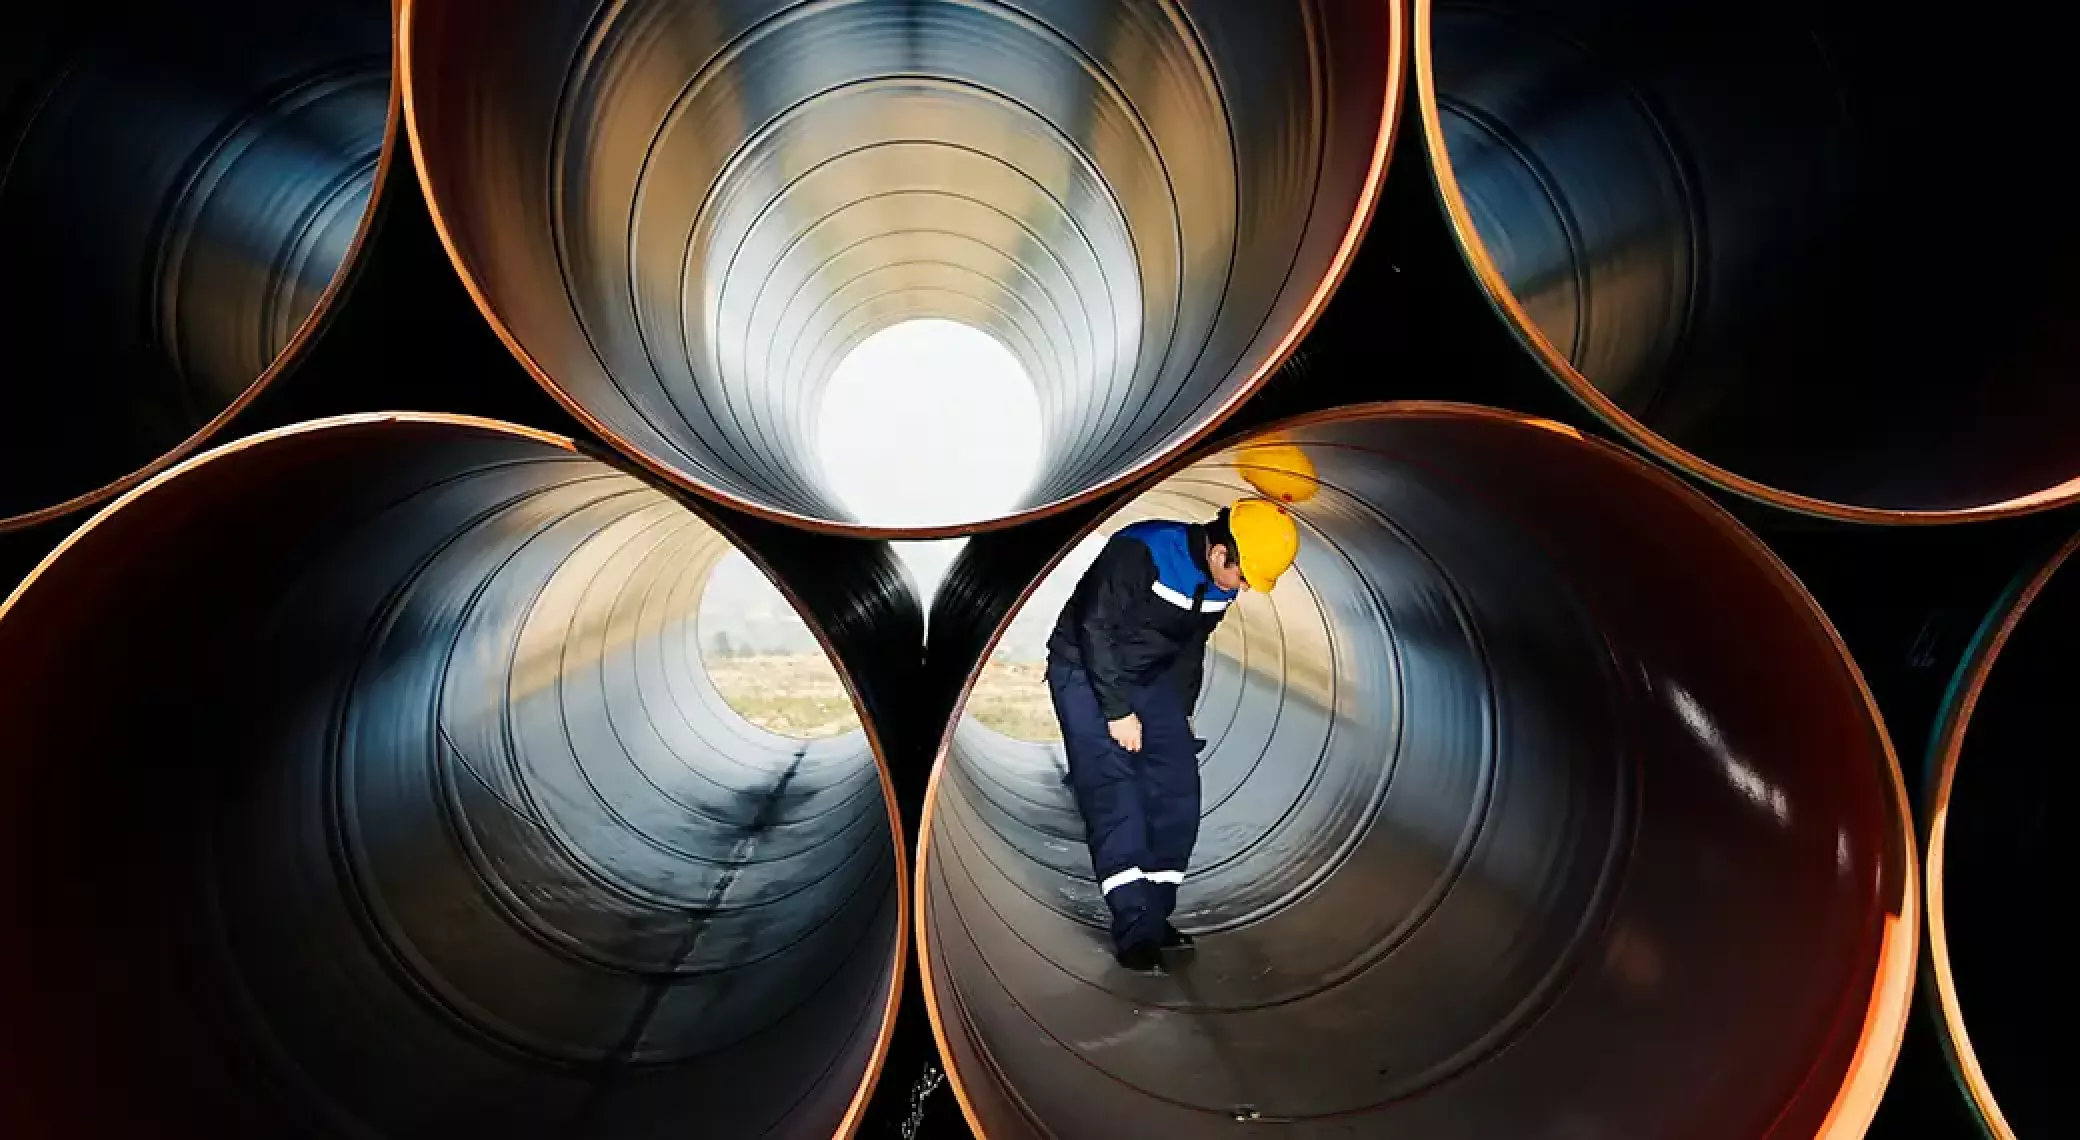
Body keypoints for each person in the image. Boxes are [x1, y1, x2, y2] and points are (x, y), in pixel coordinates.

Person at [1044, 497, 1300, 973]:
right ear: (1222, 553)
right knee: (1115, 788)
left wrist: (1179, 713)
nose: (1244, 589)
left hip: (1150, 677)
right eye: (1243, 577)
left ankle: (1158, 913)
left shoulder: (1221, 586)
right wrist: (1118, 714)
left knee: (1178, 786)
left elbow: (1188, 649)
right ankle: (1134, 925)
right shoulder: (1142, 551)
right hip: (1084, 667)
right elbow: (1095, 629)